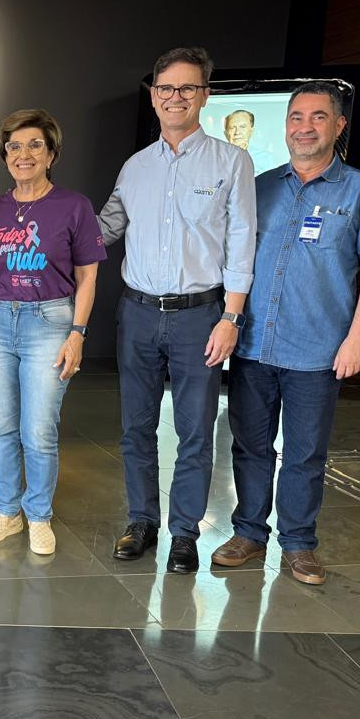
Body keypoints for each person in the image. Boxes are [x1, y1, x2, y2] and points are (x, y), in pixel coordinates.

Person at [212, 82, 360, 585]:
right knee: (249, 446)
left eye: (318, 117)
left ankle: (298, 543)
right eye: (296, 117)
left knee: (305, 454)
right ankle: (248, 533)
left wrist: (358, 338)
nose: (305, 127)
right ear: (286, 126)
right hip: (253, 345)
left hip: (317, 350)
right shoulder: (261, 188)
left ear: (338, 126)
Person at [99, 46, 256, 574]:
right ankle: (141, 521)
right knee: (136, 427)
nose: (175, 97)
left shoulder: (231, 162)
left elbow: (242, 242)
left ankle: (184, 532)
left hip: (200, 316)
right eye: (166, 88)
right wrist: (40, 218)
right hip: (138, 313)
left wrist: (231, 317)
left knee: (195, 431)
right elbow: (102, 231)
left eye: (187, 88)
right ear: (153, 96)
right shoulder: (135, 167)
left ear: (204, 96)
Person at [0, 109, 104, 556]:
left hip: (49, 323)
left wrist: (77, 333)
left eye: (34, 145)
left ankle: (39, 515)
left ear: (51, 154)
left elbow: (88, 276)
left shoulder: (74, 206)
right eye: (14, 146)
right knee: (2, 426)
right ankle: (8, 511)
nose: (23, 154)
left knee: (40, 429)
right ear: (4, 155)